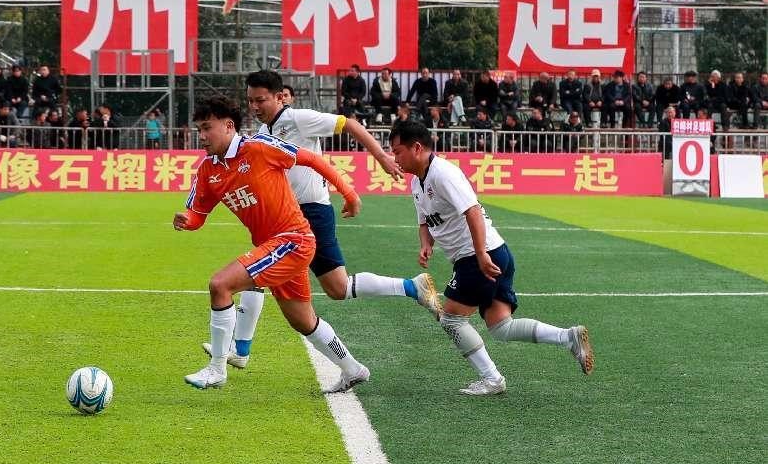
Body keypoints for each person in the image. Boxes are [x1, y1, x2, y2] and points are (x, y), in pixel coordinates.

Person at [201, 72, 441, 371]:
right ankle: (240, 350)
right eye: (250, 101)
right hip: (282, 217)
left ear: (280, 97)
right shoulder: (262, 132)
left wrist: (380, 157)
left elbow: (349, 124)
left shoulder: (298, 118)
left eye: (260, 100)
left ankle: (411, 287)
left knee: (332, 287)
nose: (254, 106)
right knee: (263, 275)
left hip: (309, 212)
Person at [175, 97, 374, 392]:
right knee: (303, 321)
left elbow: (312, 159)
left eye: (207, 128)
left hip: (293, 240)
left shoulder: (259, 147)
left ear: (228, 126)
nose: (201, 136)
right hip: (274, 246)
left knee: (220, 284)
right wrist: (186, 221)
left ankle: (217, 369)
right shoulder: (208, 170)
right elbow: (198, 215)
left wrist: (349, 193)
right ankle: (354, 369)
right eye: (199, 130)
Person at [388, 119, 594, 395]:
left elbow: (472, 211)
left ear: (416, 148)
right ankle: (568, 337)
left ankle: (492, 379)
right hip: (493, 253)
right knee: (501, 327)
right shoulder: (417, 182)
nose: (395, 159)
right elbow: (425, 221)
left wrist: (481, 255)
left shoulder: (443, 174)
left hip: (479, 257)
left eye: (397, 151)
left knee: (451, 320)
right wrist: (426, 244)